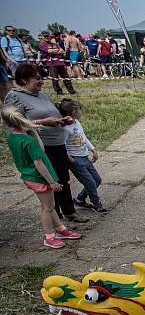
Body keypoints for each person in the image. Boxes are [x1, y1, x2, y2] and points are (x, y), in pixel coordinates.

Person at [4, 64, 89, 223]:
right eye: (37, 78)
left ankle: (70, 212)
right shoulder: (14, 96)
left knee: (63, 179)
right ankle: (55, 218)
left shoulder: (42, 95)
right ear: (23, 79)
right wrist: (42, 122)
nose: (41, 81)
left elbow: (53, 113)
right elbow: (12, 122)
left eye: (42, 77)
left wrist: (62, 120)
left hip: (58, 143)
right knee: (50, 181)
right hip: (40, 146)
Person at [2, 105, 82, 248]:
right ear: (24, 119)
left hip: (29, 175)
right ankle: (49, 236)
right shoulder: (29, 141)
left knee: (49, 206)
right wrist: (52, 182)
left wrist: (32, 130)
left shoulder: (12, 137)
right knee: (47, 208)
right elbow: (40, 161)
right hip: (40, 178)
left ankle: (60, 228)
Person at [56, 99, 107, 214]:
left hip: (84, 156)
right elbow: (62, 145)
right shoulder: (65, 128)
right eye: (79, 109)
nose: (81, 112)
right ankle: (96, 203)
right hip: (75, 159)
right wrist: (70, 159)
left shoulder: (76, 123)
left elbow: (83, 137)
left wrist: (93, 150)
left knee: (97, 180)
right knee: (90, 183)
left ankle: (79, 199)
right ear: (74, 112)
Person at [39, 31, 76, 95]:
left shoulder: (55, 44)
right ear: (42, 37)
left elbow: (62, 51)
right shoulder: (42, 44)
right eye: (45, 36)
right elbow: (49, 51)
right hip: (52, 64)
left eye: (47, 36)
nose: (47, 37)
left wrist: (54, 51)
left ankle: (71, 91)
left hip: (60, 63)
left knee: (66, 78)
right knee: (55, 79)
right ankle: (59, 92)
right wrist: (56, 51)